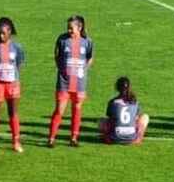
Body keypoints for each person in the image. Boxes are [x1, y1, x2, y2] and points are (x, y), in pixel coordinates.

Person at [48, 15, 94, 148]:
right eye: (68, 28)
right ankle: (51, 138)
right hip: (64, 82)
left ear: (79, 27)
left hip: (79, 83)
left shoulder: (87, 41)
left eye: (71, 28)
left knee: (77, 109)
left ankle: (74, 138)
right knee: (59, 110)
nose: (68, 30)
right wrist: (61, 69)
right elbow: (57, 55)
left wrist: (84, 70)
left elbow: (90, 57)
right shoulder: (62, 40)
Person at [0, 17, 26, 154]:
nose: (0, 36)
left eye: (3, 33)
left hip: (13, 84)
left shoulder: (17, 47)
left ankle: (16, 142)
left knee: (13, 112)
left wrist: (11, 76)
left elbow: (19, 63)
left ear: (10, 32)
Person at [99, 76, 149, 145]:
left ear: (117, 88)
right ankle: (138, 139)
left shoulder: (112, 102)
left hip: (115, 138)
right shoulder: (134, 101)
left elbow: (110, 119)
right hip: (131, 138)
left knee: (102, 120)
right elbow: (136, 118)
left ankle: (108, 139)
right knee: (145, 117)